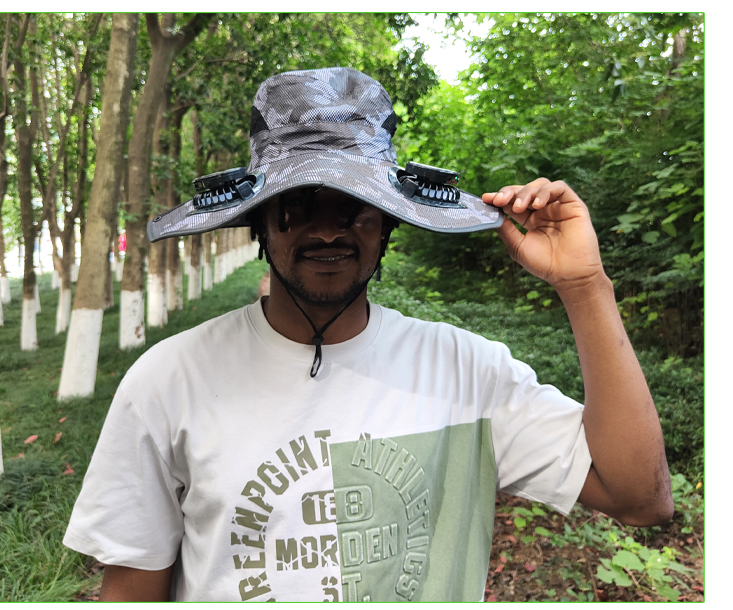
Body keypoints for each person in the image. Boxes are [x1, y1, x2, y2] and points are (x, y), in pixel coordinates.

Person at [63, 67, 673, 602]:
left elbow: (640, 498)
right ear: (259, 223)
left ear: (388, 223)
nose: (330, 230)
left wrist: (585, 287)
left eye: (355, 205)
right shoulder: (169, 381)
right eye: (299, 204)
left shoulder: (467, 371)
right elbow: (132, 590)